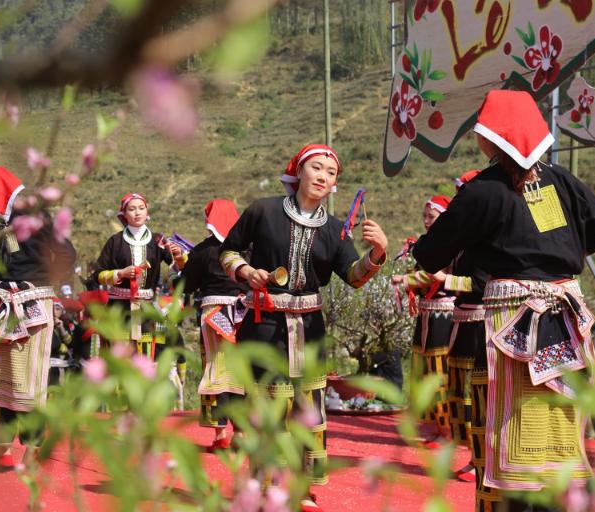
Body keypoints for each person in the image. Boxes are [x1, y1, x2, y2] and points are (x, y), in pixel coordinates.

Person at [412, 90, 595, 511]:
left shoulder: (482, 190)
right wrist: (557, 258)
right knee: (557, 413)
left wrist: (497, 253)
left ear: (489, 138)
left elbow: (428, 253)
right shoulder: (560, 180)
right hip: (565, 309)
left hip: (513, 316)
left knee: (509, 421)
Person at [219, 143, 388, 512]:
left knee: (306, 410)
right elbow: (228, 251)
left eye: (331, 172)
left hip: (310, 329)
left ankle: (301, 489)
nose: (323, 176)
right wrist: (246, 271)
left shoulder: (334, 230)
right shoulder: (262, 211)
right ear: (298, 170)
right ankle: (263, 486)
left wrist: (375, 255)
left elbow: (353, 277)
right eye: (317, 167)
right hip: (265, 325)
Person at [0, 166, 77, 468]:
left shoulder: (34, 220)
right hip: (2, 303)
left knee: (28, 379)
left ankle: (31, 447)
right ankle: (3, 445)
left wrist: (44, 281)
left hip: (29, 302)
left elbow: (67, 254)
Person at [176, 199, 245, 451]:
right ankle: (242, 432)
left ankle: (219, 435)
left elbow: (186, 285)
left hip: (213, 314)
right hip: (243, 314)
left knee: (215, 370)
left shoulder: (203, 251)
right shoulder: (246, 248)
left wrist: (179, 269)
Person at [392, 195, 454, 449]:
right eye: (425, 216)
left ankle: (448, 430)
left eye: (432, 216)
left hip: (445, 314)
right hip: (427, 314)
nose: (427, 221)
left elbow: (440, 277)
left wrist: (411, 280)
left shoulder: (453, 243)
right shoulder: (427, 244)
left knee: (440, 372)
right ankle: (437, 426)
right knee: (424, 370)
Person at [93, 193, 186, 359]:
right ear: (124, 214)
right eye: (132, 209)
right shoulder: (115, 242)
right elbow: (98, 274)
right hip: (119, 308)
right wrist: (120, 273)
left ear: (147, 211)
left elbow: (178, 267)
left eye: (141, 208)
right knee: (119, 355)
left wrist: (180, 255)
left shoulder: (158, 240)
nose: (137, 213)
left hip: (147, 308)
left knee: (146, 354)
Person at [441, 170, 488, 483]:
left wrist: (445, 279)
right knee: (462, 393)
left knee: (480, 396)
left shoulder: (485, 238)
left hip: (483, 323)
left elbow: (481, 283)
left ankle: (482, 460)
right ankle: (473, 454)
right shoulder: (463, 239)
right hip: (463, 320)